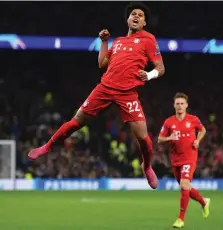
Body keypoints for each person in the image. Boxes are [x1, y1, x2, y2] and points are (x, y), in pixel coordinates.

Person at [28, 2, 165, 189]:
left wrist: (149, 75)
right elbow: (102, 63)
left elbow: (161, 68)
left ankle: (147, 166)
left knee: (143, 137)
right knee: (76, 121)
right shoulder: (117, 42)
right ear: (127, 19)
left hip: (127, 93)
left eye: (140, 15)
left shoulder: (149, 39)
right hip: (105, 88)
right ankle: (47, 146)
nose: (136, 16)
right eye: (133, 13)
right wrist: (103, 41)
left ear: (144, 23)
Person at [158, 92, 210, 228]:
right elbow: (159, 139)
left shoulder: (193, 119)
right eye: (177, 104)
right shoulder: (169, 122)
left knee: (184, 185)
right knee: (185, 186)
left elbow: (203, 129)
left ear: (186, 105)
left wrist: (198, 140)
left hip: (190, 157)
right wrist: (169, 138)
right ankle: (204, 202)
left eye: (182, 104)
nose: (180, 106)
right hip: (175, 159)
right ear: (174, 106)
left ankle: (181, 218)